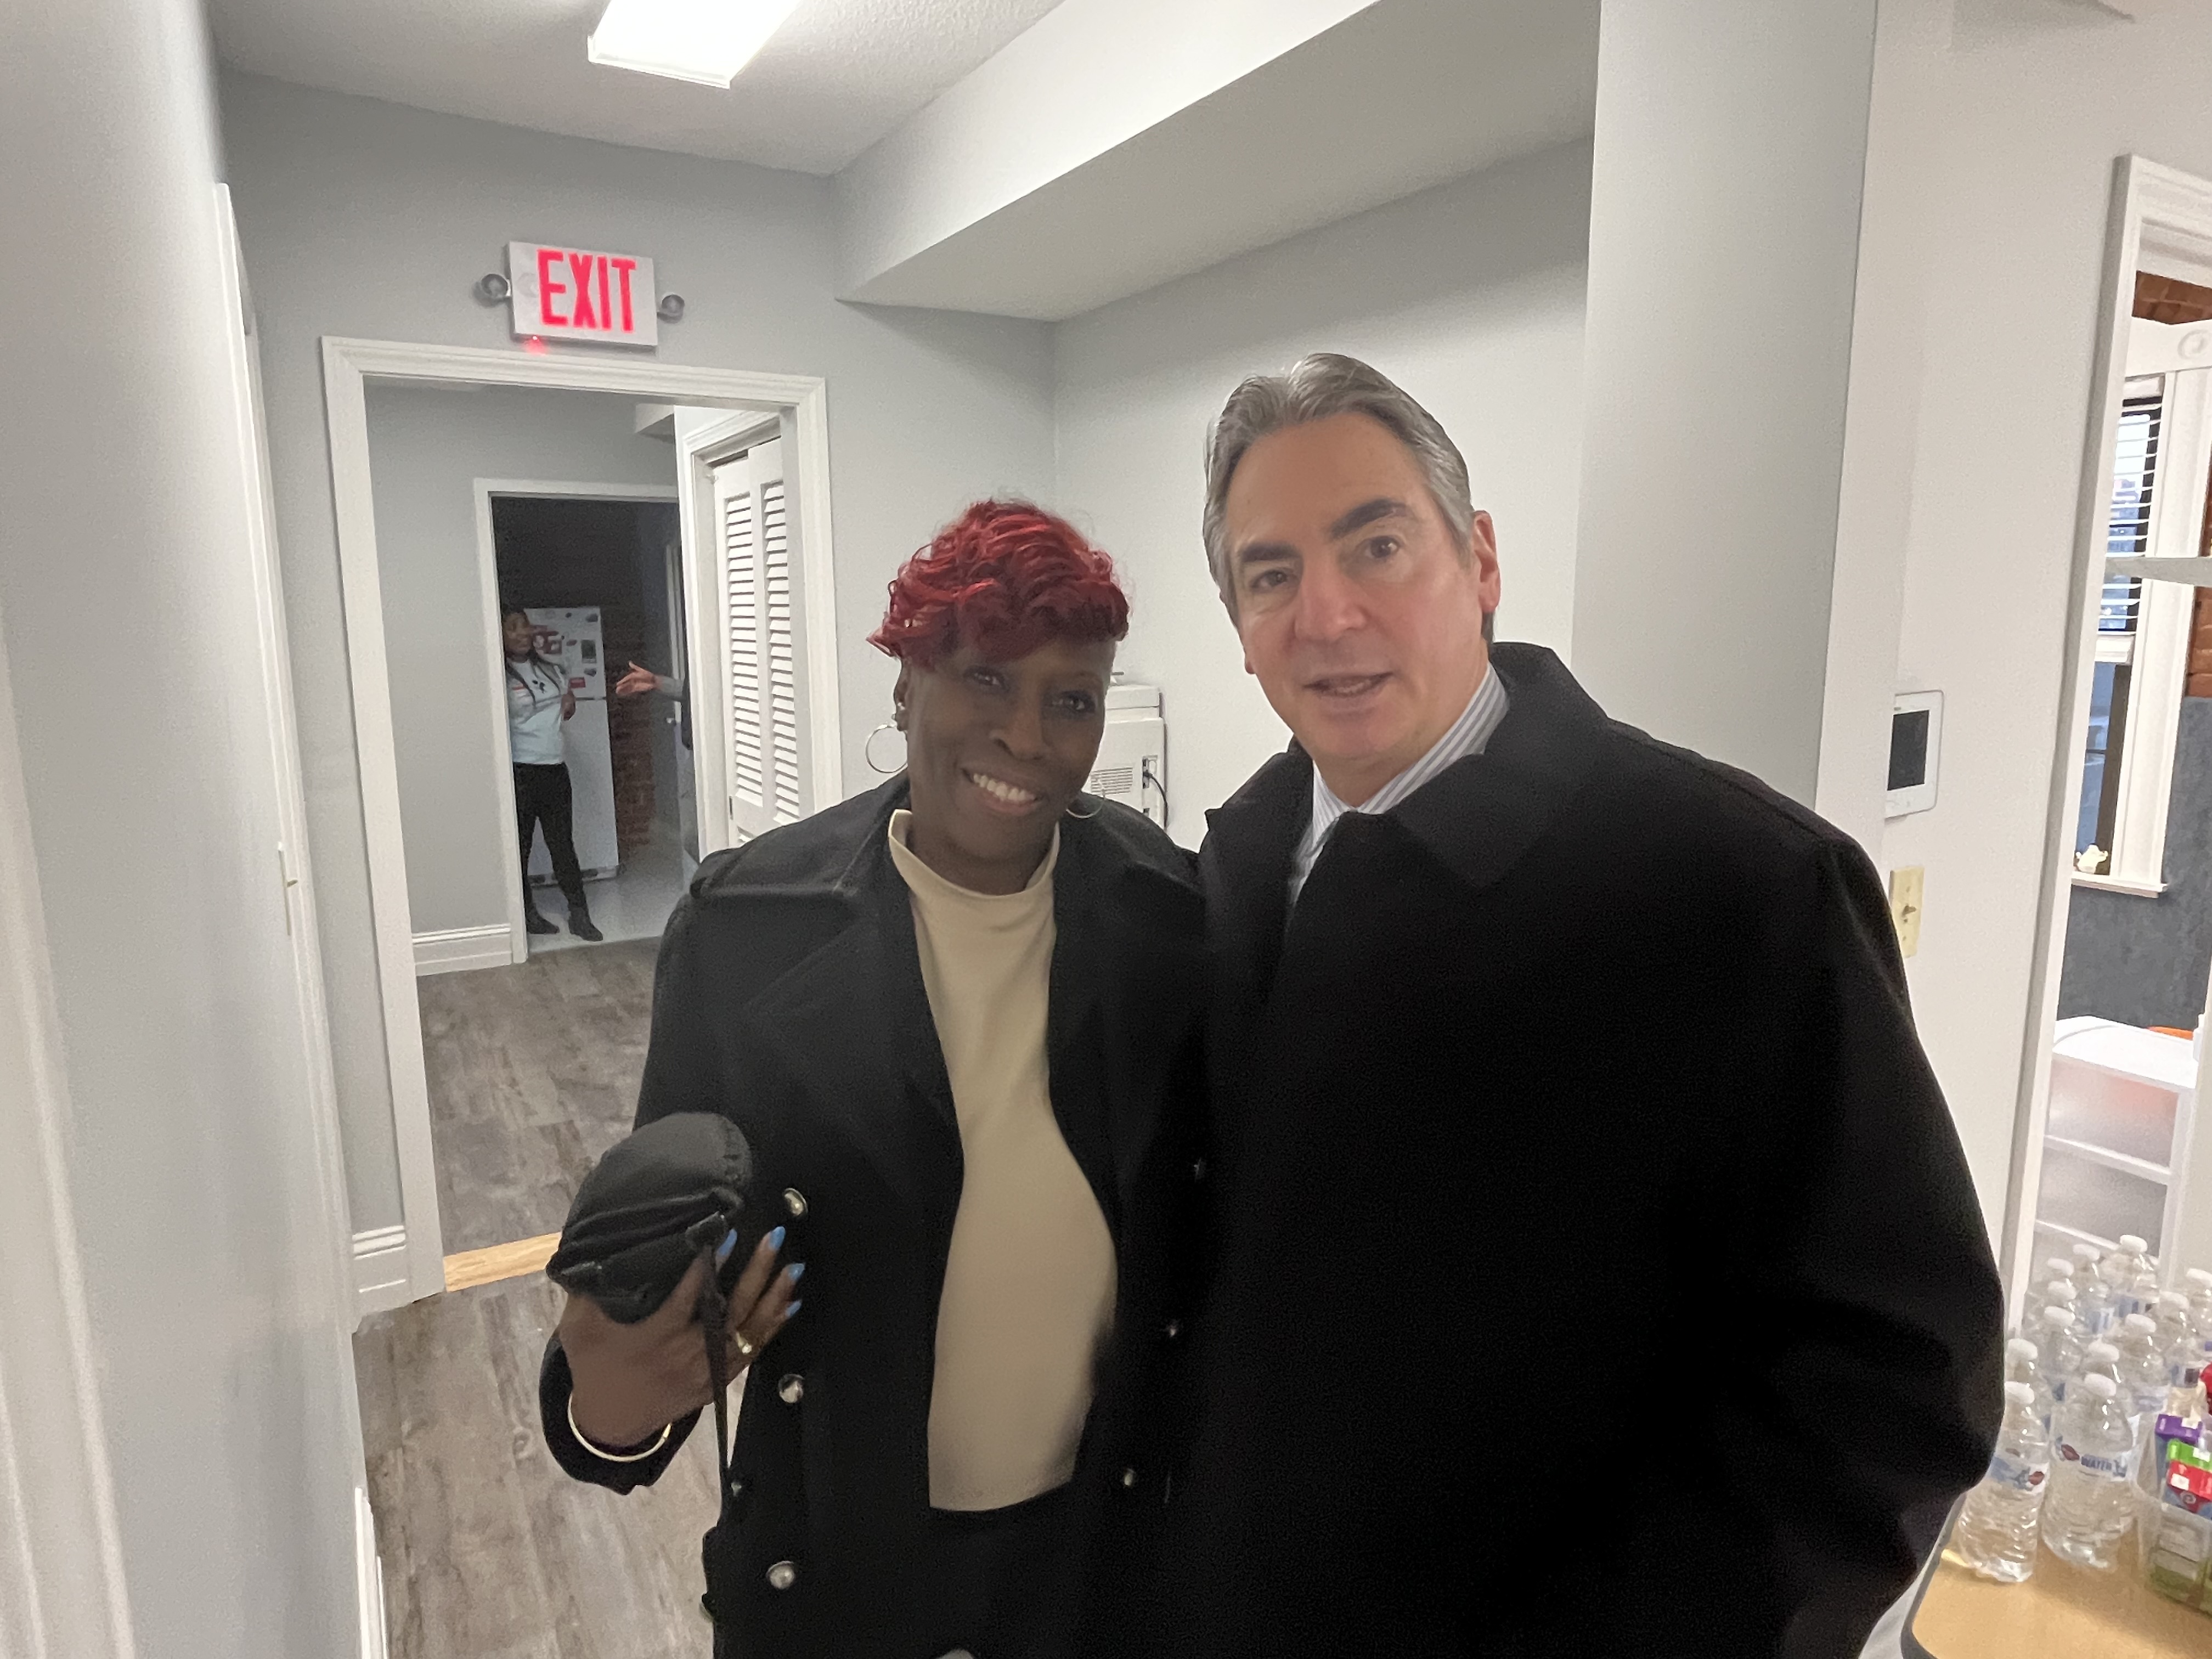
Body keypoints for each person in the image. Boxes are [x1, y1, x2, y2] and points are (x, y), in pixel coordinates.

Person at [1111, 355, 2005, 1658]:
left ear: (1479, 560)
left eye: (1376, 546)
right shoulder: (1237, 872)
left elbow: (1894, 1380)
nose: (1327, 614)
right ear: (1238, 627)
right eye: (1271, 574)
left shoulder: (1735, 890)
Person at [539, 501, 1205, 1659]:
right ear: (905, 686)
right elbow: (659, 1272)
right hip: (843, 1566)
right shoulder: (749, 929)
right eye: (985, 679)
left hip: (1102, 1564)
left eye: (1072, 700)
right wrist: (607, 1400)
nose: (1028, 735)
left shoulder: (1169, 914)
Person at [503, 605, 602, 942]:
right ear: (500, 635)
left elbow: (566, 705)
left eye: (524, 626)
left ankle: (579, 914)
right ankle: (527, 914)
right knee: (521, 847)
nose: (522, 633)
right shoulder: (499, 676)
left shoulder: (551, 669)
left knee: (562, 845)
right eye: (512, 628)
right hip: (520, 771)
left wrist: (569, 701)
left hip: (555, 770)